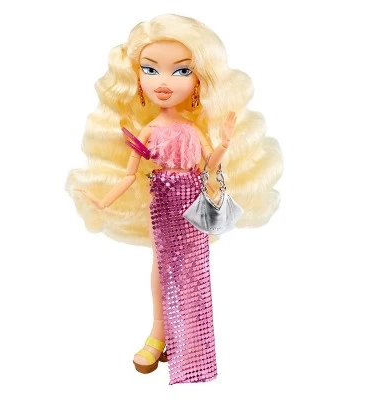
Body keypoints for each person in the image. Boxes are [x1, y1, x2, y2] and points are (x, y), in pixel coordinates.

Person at [65, 13, 283, 384]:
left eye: (181, 71)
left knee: (194, 271)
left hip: (193, 203)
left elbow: (210, 165)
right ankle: (158, 333)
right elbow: (129, 174)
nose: (163, 82)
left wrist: (226, 142)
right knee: (162, 265)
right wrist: (102, 201)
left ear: (199, 81)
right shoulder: (148, 130)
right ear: (136, 79)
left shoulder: (193, 130)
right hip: (163, 204)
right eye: (150, 70)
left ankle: (190, 342)